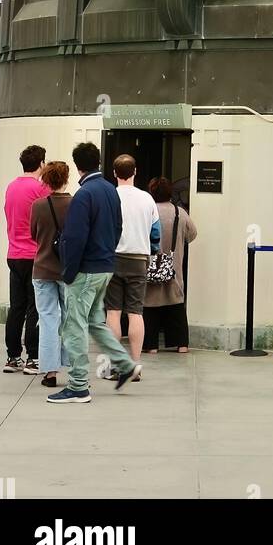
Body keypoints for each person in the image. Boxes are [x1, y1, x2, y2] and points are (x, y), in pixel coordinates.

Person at [48, 141, 141, 404]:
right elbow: (118, 227)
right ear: (98, 161)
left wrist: (69, 271)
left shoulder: (84, 194)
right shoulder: (111, 191)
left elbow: (74, 238)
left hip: (85, 270)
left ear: (77, 165)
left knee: (73, 327)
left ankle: (78, 385)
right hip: (105, 267)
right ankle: (125, 364)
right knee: (93, 322)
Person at [104, 154, 161, 376]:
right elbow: (156, 233)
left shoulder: (109, 196)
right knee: (136, 312)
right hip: (139, 259)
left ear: (115, 173)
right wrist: (151, 249)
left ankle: (115, 364)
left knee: (113, 313)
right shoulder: (147, 199)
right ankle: (135, 364)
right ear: (135, 172)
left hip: (113, 258)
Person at [3, 144, 48, 374]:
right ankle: (32, 357)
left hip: (14, 254)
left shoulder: (11, 187)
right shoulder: (41, 189)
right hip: (34, 255)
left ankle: (12, 357)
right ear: (41, 164)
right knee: (35, 308)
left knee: (16, 307)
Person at [29, 160, 72, 388]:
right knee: (71, 320)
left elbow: (34, 234)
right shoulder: (76, 204)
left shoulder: (38, 205)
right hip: (69, 271)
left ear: (46, 179)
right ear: (66, 179)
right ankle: (74, 369)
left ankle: (50, 372)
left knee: (47, 319)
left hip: (43, 267)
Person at [143, 177, 197, 353]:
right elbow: (192, 234)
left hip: (151, 265)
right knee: (176, 304)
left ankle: (151, 345)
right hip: (173, 267)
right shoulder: (179, 212)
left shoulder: (148, 212)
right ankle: (181, 344)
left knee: (150, 304)